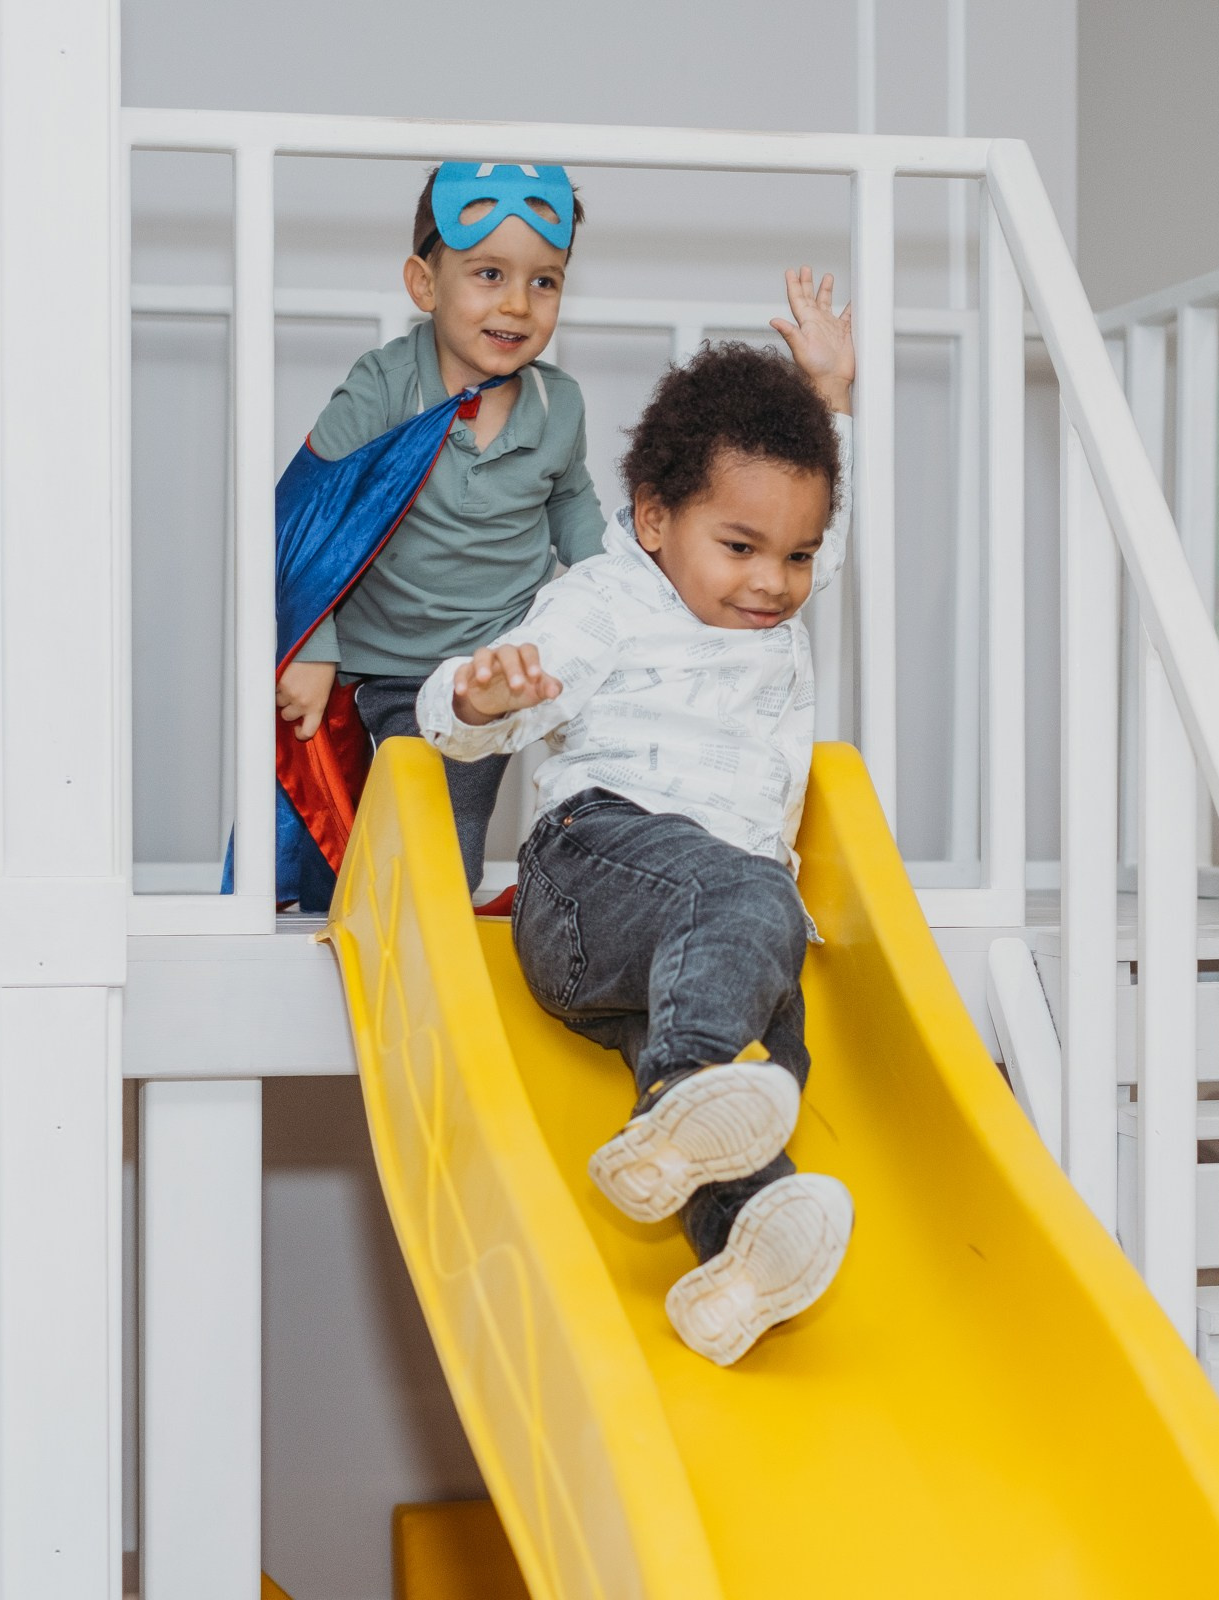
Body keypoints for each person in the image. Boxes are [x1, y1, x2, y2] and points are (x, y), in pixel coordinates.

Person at [414, 297, 856, 1367]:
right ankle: (682, 1086)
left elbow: (808, 529)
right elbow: (463, 722)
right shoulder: (604, 601)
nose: (772, 582)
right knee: (748, 900)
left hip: (679, 954)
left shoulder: (768, 604)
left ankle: (738, 1264)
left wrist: (828, 399)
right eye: (741, 545)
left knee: (773, 1053)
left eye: (796, 557)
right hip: (591, 882)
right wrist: (481, 695)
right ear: (653, 518)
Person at [272, 162, 603, 908]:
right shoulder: (387, 386)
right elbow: (305, 509)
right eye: (489, 273)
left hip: (488, 673)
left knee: (451, 842)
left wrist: (621, 589)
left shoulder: (559, 403)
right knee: (391, 839)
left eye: (544, 281)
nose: (517, 304)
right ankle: (397, 928)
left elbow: (572, 506)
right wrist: (314, 645)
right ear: (424, 285)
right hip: (384, 667)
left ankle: (514, 915)